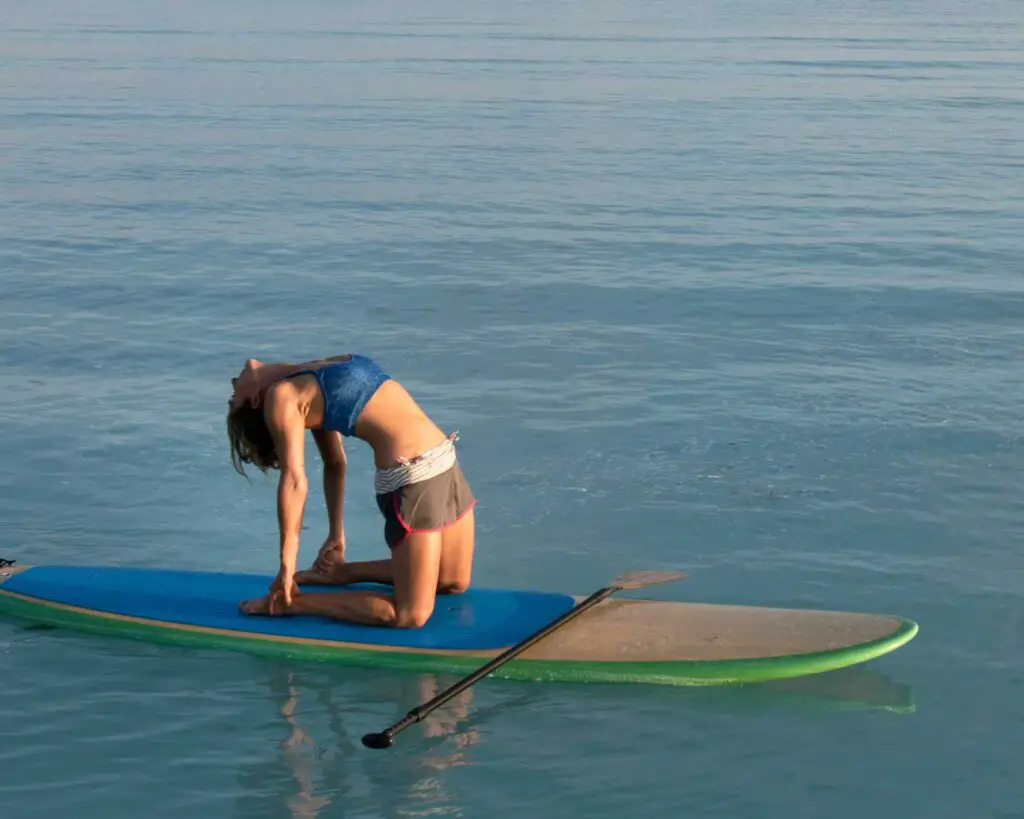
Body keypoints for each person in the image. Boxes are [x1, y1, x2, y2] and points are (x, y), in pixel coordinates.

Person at [226, 354, 476, 628]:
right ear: (253, 401)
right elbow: (294, 482)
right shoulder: (281, 396)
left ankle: (343, 573)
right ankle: (289, 603)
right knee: (410, 615)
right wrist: (287, 567)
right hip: (414, 477)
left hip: (445, 460)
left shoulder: (306, 375)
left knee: (452, 580)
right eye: (234, 395)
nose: (233, 382)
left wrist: (336, 534)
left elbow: (335, 464)